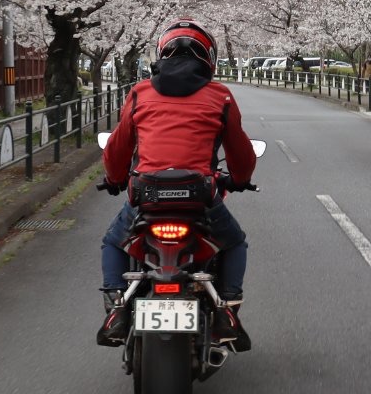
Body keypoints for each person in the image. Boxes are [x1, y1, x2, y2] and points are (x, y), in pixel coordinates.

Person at [98, 18, 257, 348]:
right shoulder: (220, 95)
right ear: (209, 59)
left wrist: (114, 179)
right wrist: (241, 179)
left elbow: (118, 147)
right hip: (199, 196)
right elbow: (240, 150)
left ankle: (116, 309)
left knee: (114, 242)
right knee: (234, 242)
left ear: (161, 54)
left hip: (147, 194)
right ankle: (227, 310)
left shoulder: (140, 93)